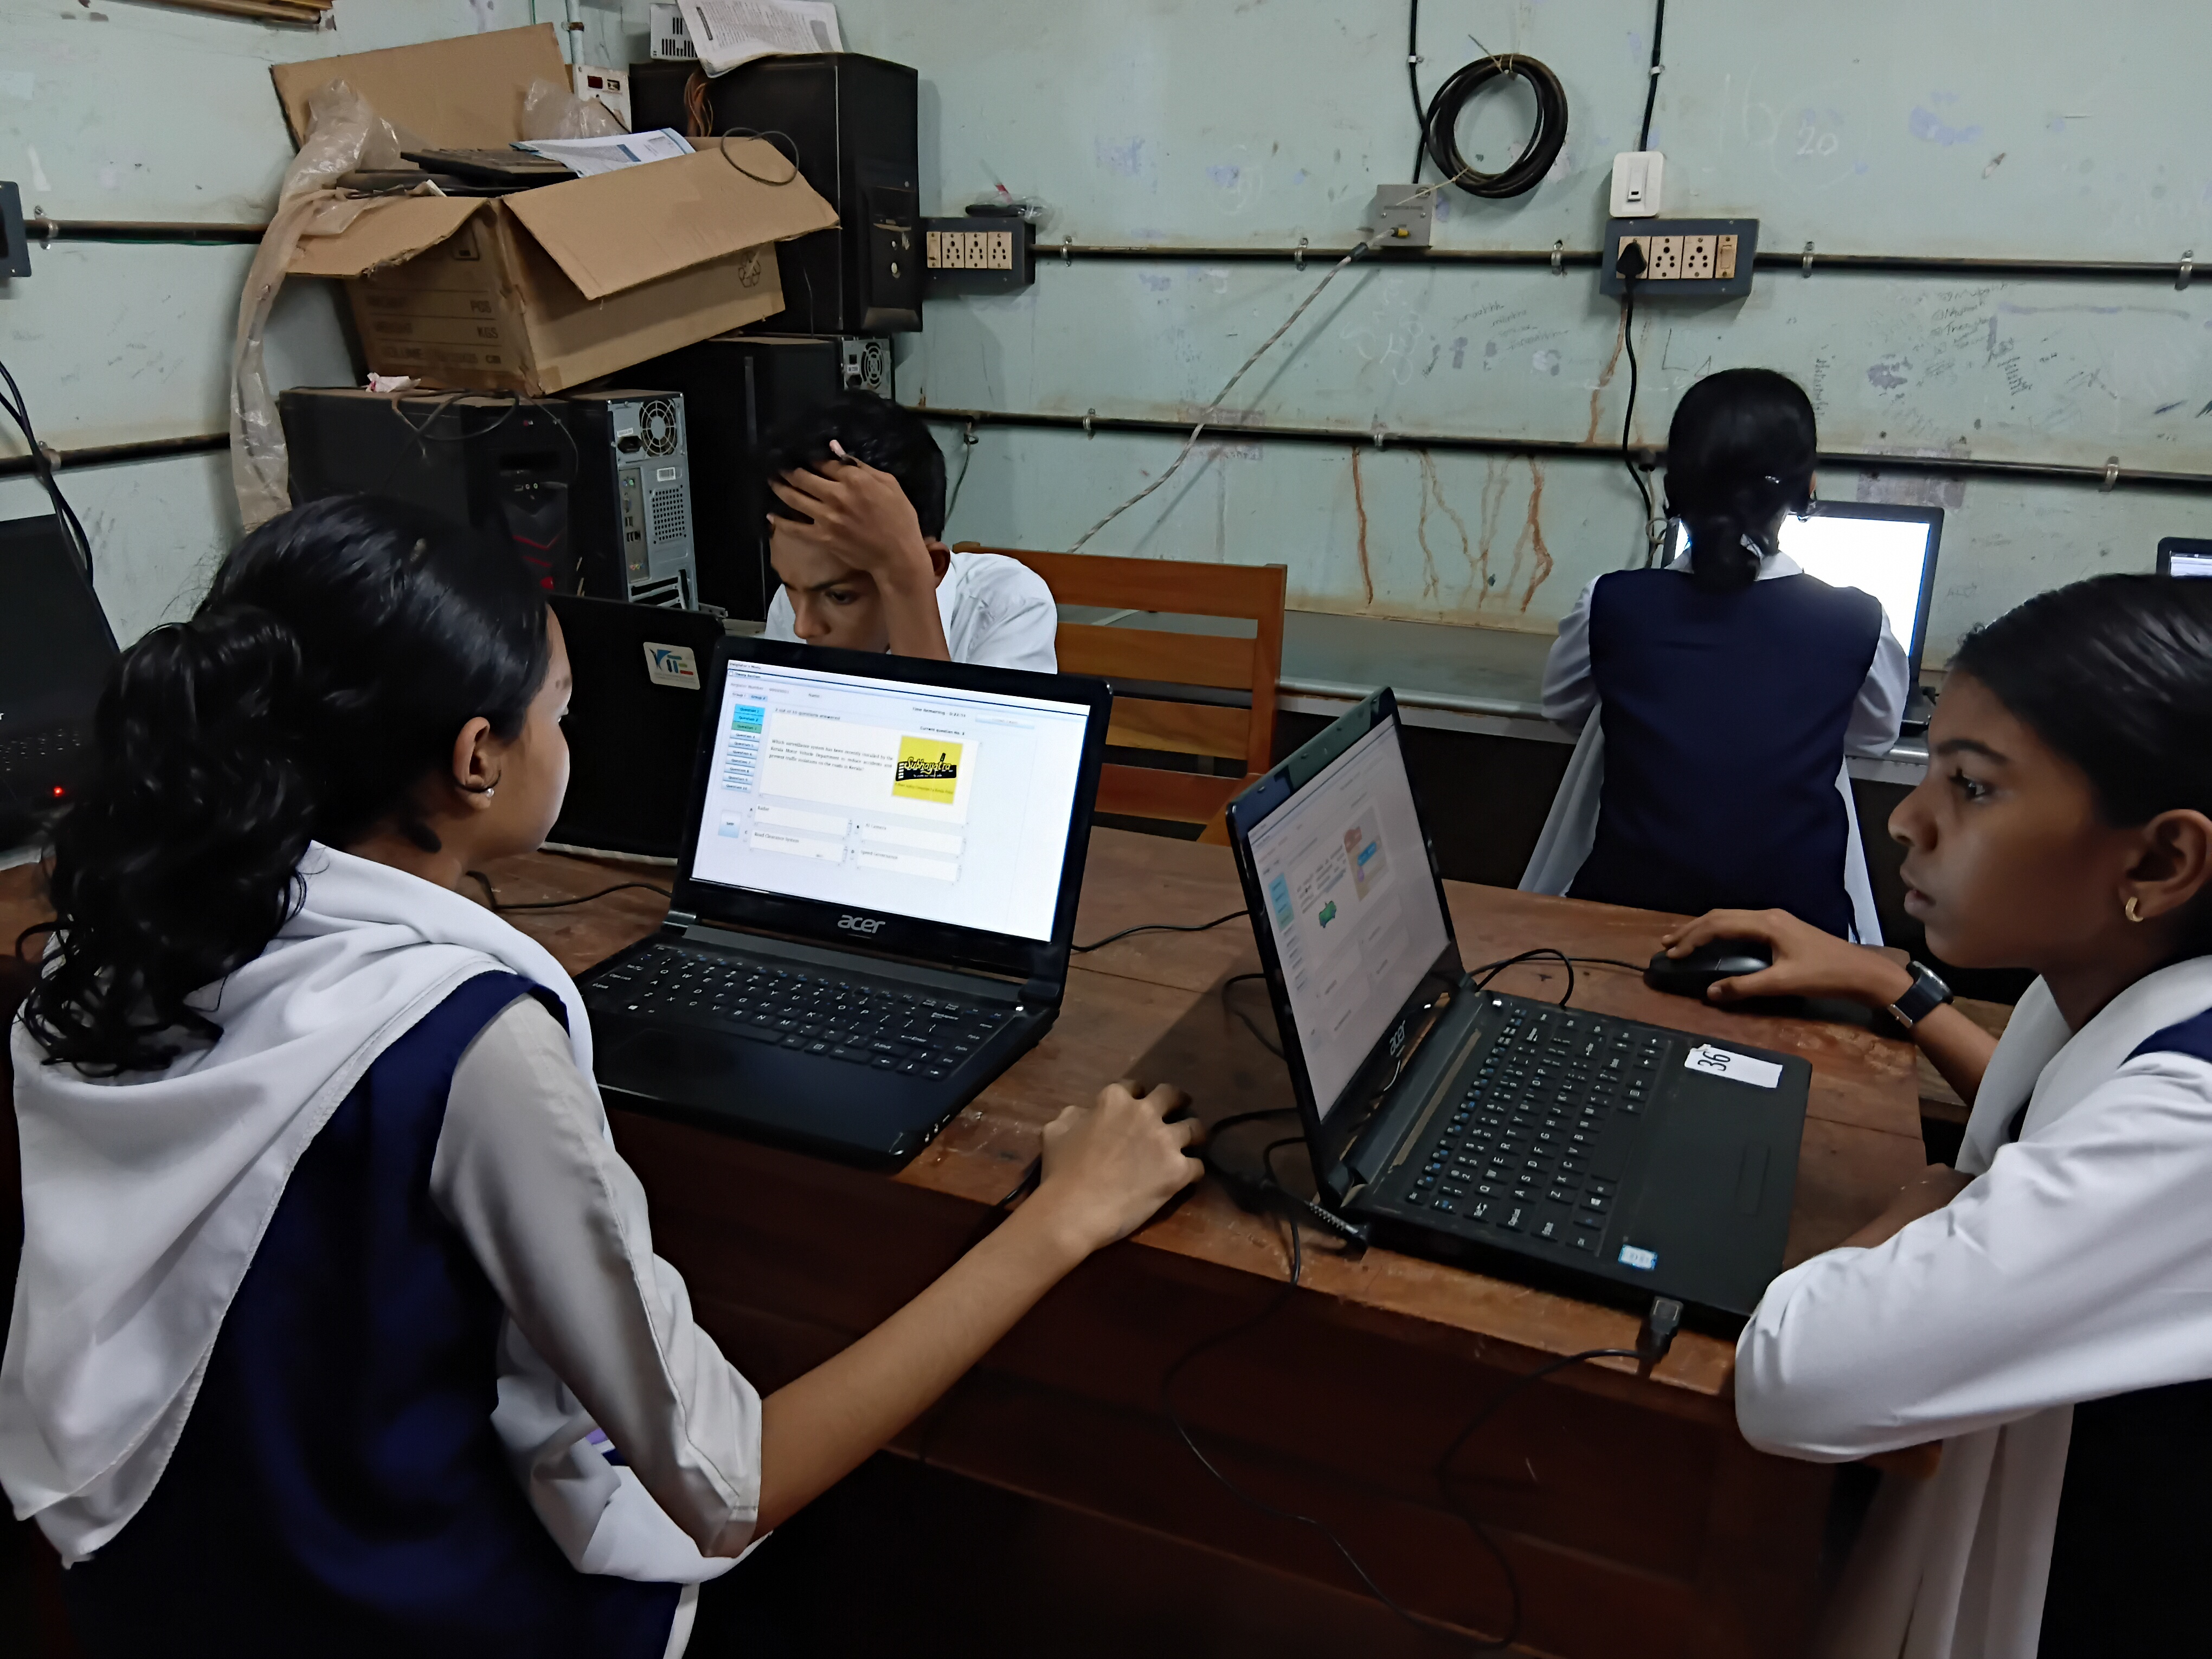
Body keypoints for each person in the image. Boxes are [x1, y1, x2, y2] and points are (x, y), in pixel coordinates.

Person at [0, 496, 1197, 1656]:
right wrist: (1061, 1218)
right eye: (561, 713)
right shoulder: (464, 1041)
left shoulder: (115, 943)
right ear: (478, 757)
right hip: (401, 1610)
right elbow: (732, 1485)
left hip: (151, 1588)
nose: (566, 741)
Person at [1658, 573, 2212, 1657]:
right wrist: (1895, 987)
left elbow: (1799, 1379)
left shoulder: (2192, 1129)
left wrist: (1925, 1202)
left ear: (2160, 859)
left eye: (1973, 787)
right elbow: (2072, 1115)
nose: (1907, 819)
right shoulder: (2119, 980)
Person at [1524, 368, 1909, 942]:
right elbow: (1875, 739)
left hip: (1624, 923)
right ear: (1806, 488)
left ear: (1673, 488)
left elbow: (1562, 706)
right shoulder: (1860, 621)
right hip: (1797, 938)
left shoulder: (1611, 602)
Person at [760, 394, 1058, 672]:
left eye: (839, 596)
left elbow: (934, 715)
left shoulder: (1010, 606)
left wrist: (906, 579)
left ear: (932, 566)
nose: (803, 628)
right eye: (789, 585)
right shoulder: (795, 603)